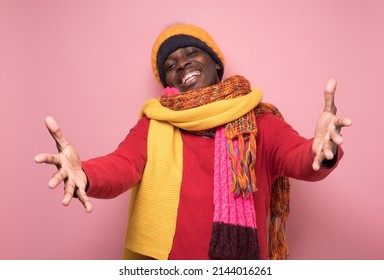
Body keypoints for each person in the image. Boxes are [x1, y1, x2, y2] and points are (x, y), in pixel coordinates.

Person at [35, 24, 352, 260]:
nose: (181, 65)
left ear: (216, 64)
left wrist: (322, 150)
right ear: (168, 82)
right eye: (169, 66)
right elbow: (122, 166)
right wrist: (85, 174)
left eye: (190, 53)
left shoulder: (258, 121)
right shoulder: (154, 125)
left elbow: (298, 157)